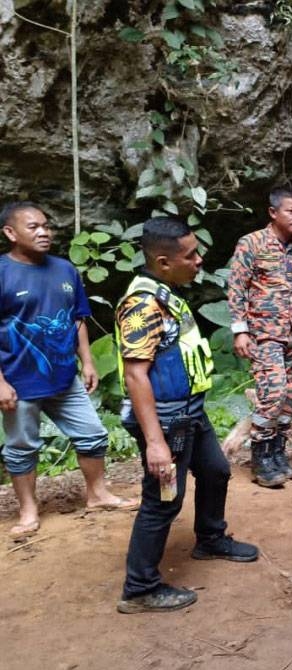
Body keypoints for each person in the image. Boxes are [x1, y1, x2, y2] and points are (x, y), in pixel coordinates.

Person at [116, 217, 258, 614]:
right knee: (162, 499)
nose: (199, 260)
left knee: (215, 471)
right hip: (166, 421)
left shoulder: (166, 293)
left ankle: (210, 539)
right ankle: (139, 589)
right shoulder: (141, 305)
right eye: (190, 255)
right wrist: (156, 443)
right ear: (163, 261)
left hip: (190, 413)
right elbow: (135, 375)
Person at [0, 201, 136, 540]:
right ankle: (29, 510)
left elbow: (78, 319)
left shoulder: (64, 270)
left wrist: (87, 361)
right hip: (19, 380)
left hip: (64, 377)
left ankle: (98, 493)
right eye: (33, 227)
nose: (44, 232)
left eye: (46, 225)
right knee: (21, 447)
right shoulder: (2, 272)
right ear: (10, 233)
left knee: (92, 434)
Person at [227, 186, 292, 488]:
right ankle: (260, 457)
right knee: (273, 391)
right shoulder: (252, 244)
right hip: (264, 334)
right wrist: (240, 330)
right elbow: (237, 287)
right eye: (290, 211)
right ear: (273, 212)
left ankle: (276, 451)